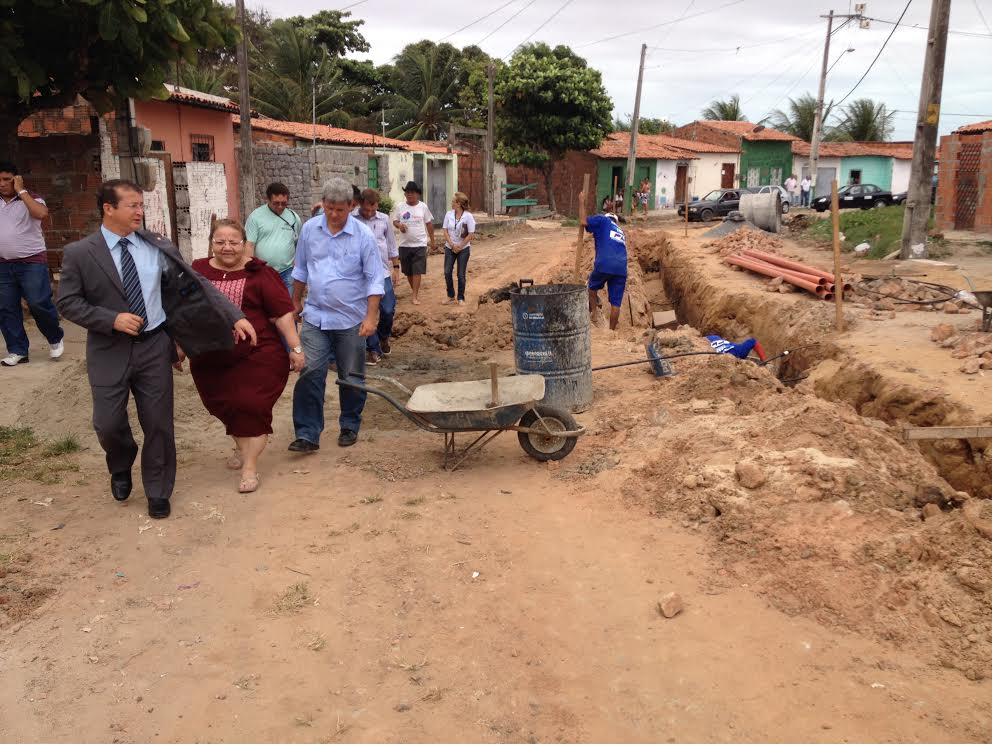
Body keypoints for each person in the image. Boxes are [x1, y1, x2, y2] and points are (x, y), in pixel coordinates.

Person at [57, 180, 255, 519]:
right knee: (107, 423)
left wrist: (233, 316)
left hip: (153, 346)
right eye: (132, 205)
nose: (140, 211)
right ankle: (120, 462)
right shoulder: (80, 253)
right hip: (108, 350)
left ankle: (158, 490)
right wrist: (110, 319)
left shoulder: (157, 245)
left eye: (141, 205)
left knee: (159, 424)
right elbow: (68, 303)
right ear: (108, 208)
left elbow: (197, 282)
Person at [181, 219, 305, 493]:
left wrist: (295, 348)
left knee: (251, 405)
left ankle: (250, 466)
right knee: (225, 405)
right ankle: (241, 445)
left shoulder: (260, 273)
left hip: (259, 354)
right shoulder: (197, 271)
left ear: (244, 244)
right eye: (220, 242)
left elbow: (282, 314)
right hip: (211, 356)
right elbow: (185, 311)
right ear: (212, 243)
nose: (227, 248)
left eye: (233, 242)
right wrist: (179, 345)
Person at [289, 178, 385, 451]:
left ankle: (349, 424)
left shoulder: (363, 236)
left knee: (352, 375)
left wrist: (371, 317)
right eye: (329, 208)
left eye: (339, 209)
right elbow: (301, 270)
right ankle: (308, 433)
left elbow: (374, 279)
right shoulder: (309, 230)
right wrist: (295, 301)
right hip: (316, 316)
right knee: (310, 371)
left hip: (351, 319)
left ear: (351, 206)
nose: (332, 214)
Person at [0, 162, 65, 367]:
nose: (2, 184)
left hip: (31, 263)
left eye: (7, 179)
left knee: (38, 302)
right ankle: (17, 350)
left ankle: (54, 337)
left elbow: (41, 214)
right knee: (7, 308)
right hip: (3, 265)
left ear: (17, 179)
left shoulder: (32, 199)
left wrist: (21, 191)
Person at [353, 188, 399, 366]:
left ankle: (383, 337)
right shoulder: (353, 219)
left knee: (388, 309)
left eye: (373, 209)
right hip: (361, 274)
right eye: (366, 209)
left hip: (382, 272)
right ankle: (372, 348)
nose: (370, 213)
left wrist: (396, 268)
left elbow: (392, 245)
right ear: (361, 204)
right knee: (365, 311)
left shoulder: (384, 219)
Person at [245, 182, 302, 294]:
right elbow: (249, 245)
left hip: (288, 272)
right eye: (276, 203)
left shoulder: (293, 217)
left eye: (284, 203)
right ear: (268, 199)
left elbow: (299, 243)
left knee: (288, 307)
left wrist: (298, 265)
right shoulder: (256, 217)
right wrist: (250, 270)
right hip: (263, 271)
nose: (280, 207)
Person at [580, 206, 628, 331]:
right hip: (622, 269)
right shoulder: (621, 231)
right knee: (616, 303)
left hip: (605, 263)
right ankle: (611, 332)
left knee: (591, 285)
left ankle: (594, 314)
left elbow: (583, 221)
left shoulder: (603, 220)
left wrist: (581, 202)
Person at [392, 181, 434, 305]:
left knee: (417, 270)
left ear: (417, 194)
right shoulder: (400, 206)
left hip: (420, 244)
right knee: (408, 272)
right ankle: (413, 290)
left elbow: (429, 224)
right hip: (404, 244)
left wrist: (432, 241)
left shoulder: (423, 207)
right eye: (407, 192)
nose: (409, 195)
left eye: (412, 193)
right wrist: (399, 225)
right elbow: (395, 221)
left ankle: (415, 296)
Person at [441, 192, 476, 306]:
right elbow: (445, 231)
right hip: (449, 247)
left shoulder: (468, 216)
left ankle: (461, 297)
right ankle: (450, 295)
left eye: (453, 201)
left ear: (459, 203)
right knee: (447, 272)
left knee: (461, 274)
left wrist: (460, 246)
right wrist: (452, 245)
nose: (451, 203)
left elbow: (471, 234)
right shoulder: (448, 214)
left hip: (463, 249)